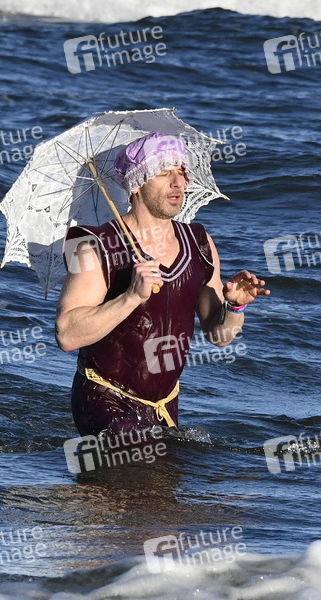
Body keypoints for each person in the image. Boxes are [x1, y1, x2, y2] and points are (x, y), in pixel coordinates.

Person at [55, 133, 269, 437]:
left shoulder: (200, 243)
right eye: (164, 173)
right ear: (136, 184)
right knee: (141, 463)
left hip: (165, 405)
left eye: (181, 172)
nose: (178, 182)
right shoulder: (92, 247)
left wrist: (234, 307)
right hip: (104, 398)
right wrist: (131, 297)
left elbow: (218, 336)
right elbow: (66, 335)